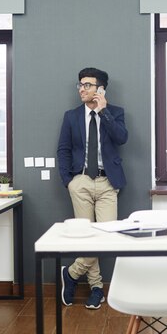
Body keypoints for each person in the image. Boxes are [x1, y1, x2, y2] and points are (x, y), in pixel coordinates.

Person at [57, 67, 128, 309]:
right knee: (87, 236)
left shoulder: (115, 113)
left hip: (108, 182)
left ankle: (71, 274)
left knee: (105, 237)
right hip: (81, 183)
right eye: (80, 84)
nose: (81, 89)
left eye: (87, 85)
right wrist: (70, 181)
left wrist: (103, 111)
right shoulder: (71, 116)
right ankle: (97, 288)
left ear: (100, 89)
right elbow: (63, 150)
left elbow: (121, 138)